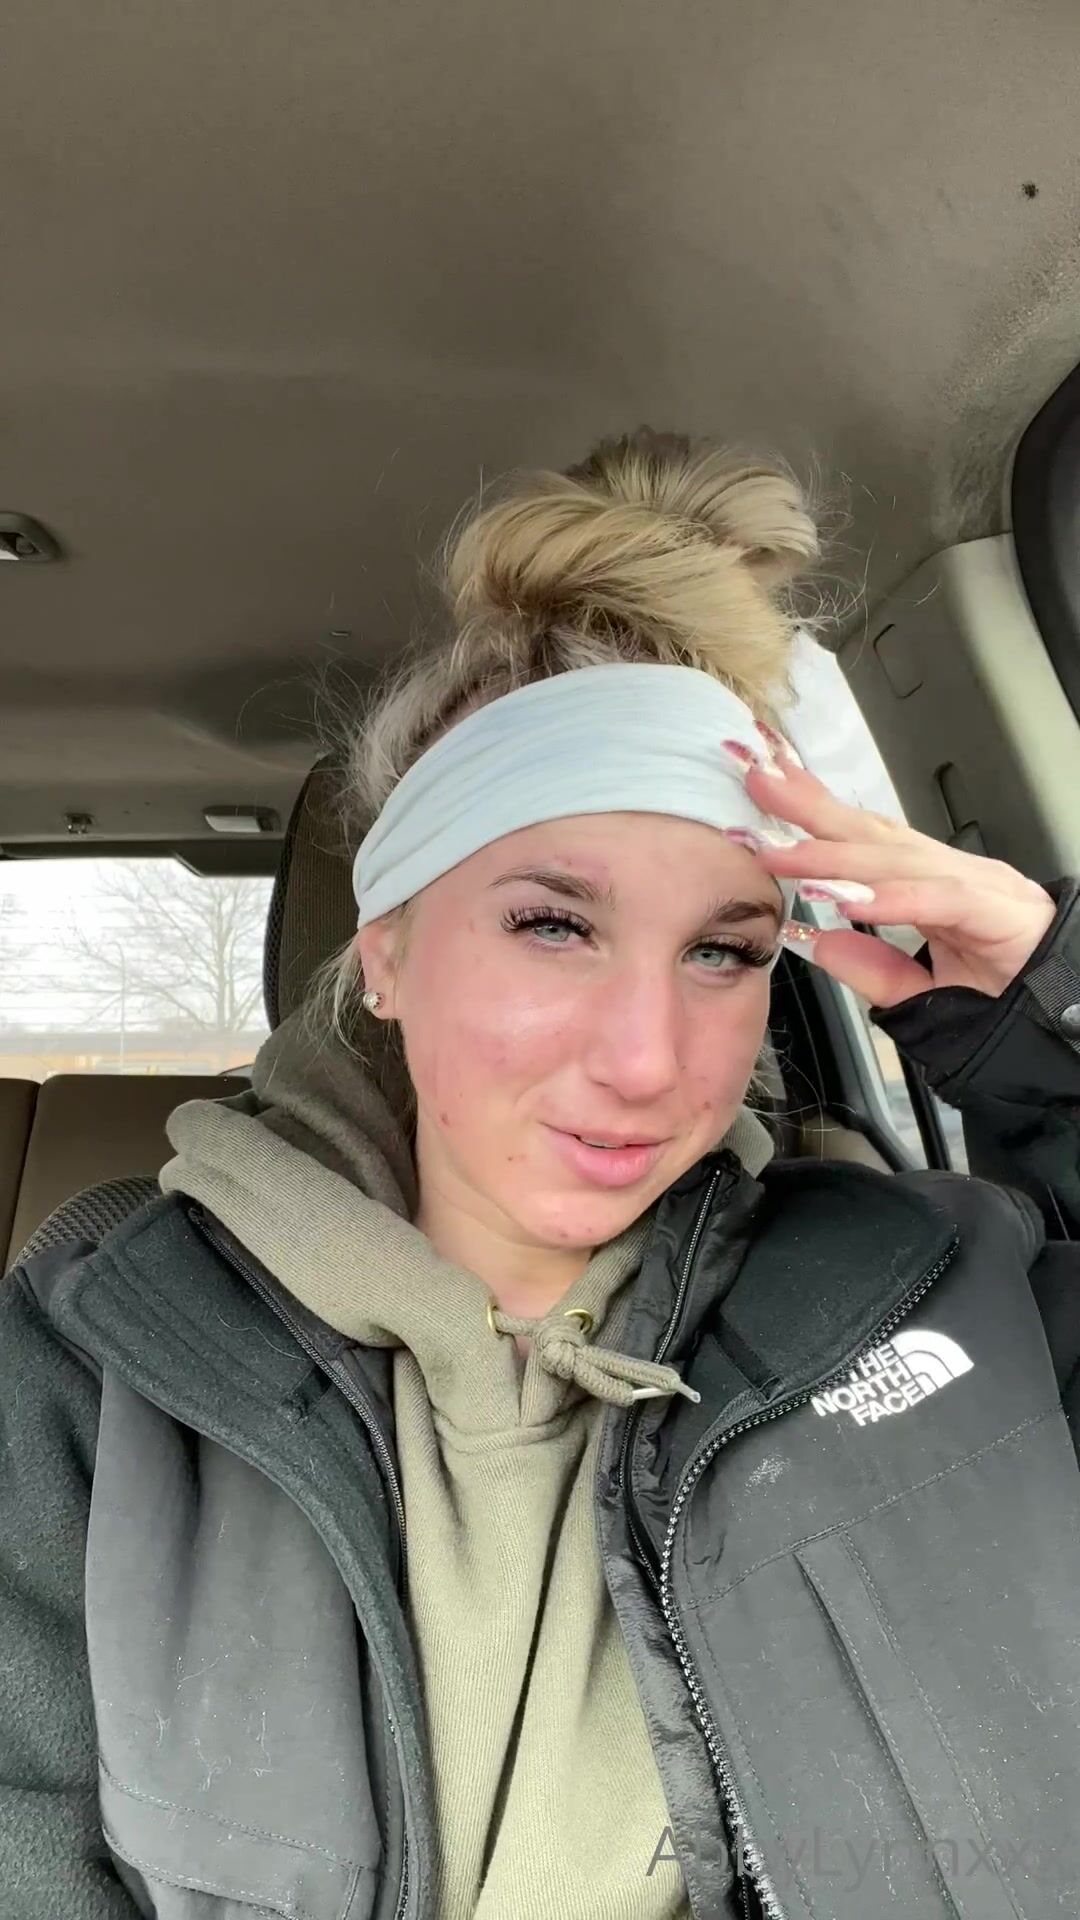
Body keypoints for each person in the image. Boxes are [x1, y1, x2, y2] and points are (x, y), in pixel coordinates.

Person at [3, 428, 1080, 1920]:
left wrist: (1051, 1015)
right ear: (385, 956)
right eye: (554, 925)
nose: (647, 1059)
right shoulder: (91, 1354)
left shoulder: (929, 1295)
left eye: (724, 951)